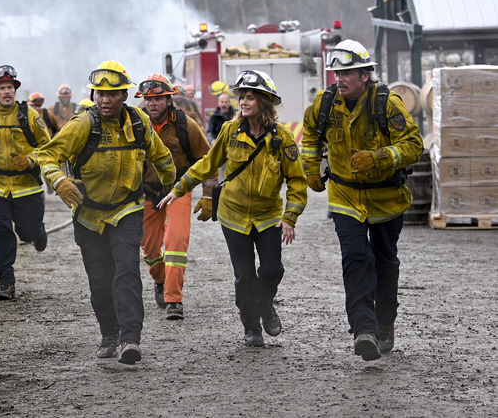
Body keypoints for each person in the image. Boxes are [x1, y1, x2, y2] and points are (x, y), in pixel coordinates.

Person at [37, 60, 175, 365]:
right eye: (99, 93)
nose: (104, 99)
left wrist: (168, 189)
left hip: (128, 209)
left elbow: (163, 158)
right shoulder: (83, 124)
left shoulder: (138, 123)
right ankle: (109, 333)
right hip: (88, 214)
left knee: (126, 272)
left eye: (112, 94)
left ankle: (130, 339)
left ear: (124, 95)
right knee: (100, 281)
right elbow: (46, 155)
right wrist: (58, 180)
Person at [159, 70, 307, 347]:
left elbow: (297, 181)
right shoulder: (230, 131)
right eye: (242, 97)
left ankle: (265, 306)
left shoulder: (283, 138)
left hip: (268, 217)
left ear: (264, 102)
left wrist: (290, 217)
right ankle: (252, 328)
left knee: (273, 270)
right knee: (244, 275)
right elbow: (207, 164)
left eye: (250, 97)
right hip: (233, 215)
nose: (243, 102)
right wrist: (178, 189)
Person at [300, 40, 423, 361]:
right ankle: (364, 331)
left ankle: (384, 327)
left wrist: (380, 157)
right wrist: (311, 167)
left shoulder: (387, 104)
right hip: (344, 198)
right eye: (337, 73)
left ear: (364, 75)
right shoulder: (325, 104)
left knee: (384, 263)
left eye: (347, 74)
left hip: (387, 199)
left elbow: (413, 145)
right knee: (356, 260)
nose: (339, 79)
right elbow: (311, 132)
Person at [135, 73, 215, 320]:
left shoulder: (186, 126)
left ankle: (174, 300)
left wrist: (209, 196)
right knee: (149, 250)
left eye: (158, 99)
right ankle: (160, 281)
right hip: (146, 193)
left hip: (177, 190)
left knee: (176, 243)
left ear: (169, 100)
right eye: (148, 99)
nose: (152, 104)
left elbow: (208, 161)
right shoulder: (134, 125)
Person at [0, 65, 51, 301]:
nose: (6, 92)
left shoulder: (30, 116)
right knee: (2, 230)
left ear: (15, 89)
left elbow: (48, 148)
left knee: (26, 232)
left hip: (28, 187)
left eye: (9, 87)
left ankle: (37, 232)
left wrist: (31, 160)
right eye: (1, 88)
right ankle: (6, 281)